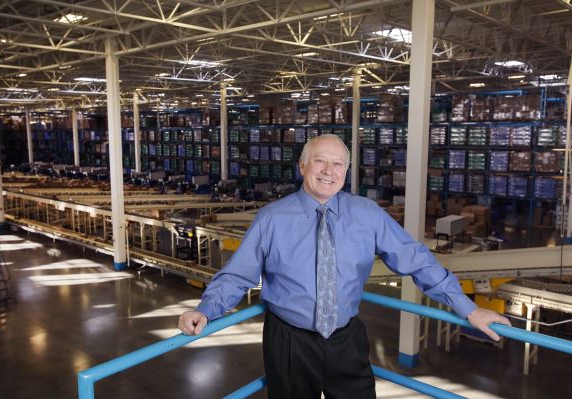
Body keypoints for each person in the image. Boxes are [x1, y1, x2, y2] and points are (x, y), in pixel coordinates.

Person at [179, 134, 510, 399]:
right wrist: (207, 310)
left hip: (346, 339)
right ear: (303, 166)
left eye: (338, 164)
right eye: (320, 162)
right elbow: (238, 274)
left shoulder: (366, 214)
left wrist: (469, 309)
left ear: (347, 171)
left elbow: (417, 259)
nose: (329, 171)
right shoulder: (272, 219)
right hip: (289, 341)